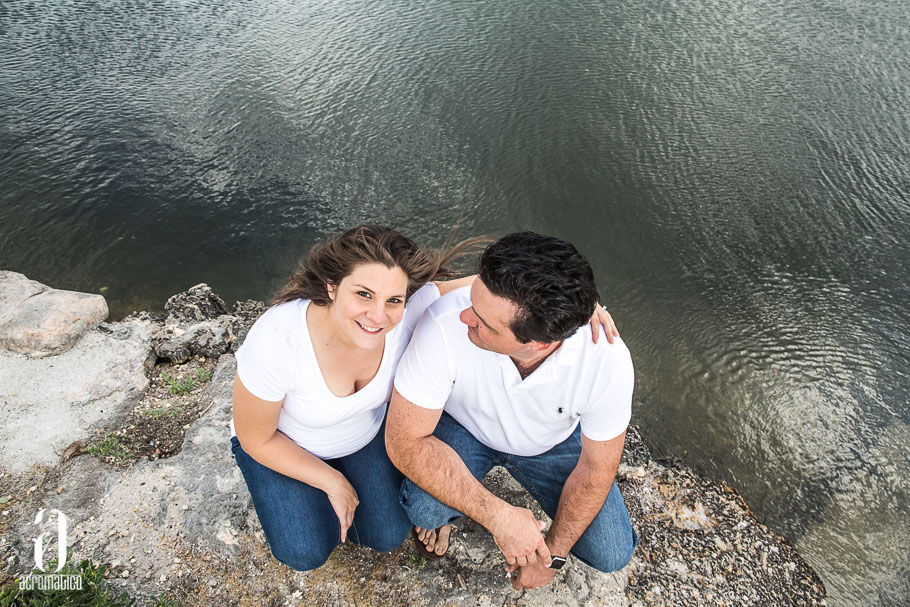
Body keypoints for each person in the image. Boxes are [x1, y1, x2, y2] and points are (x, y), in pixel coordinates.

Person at [230, 225, 618, 571]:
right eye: (363, 294)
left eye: (393, 300)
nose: (377, 316)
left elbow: (490, 289)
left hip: (360, 437)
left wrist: (577, 308)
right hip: (282, 443)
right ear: (332, 285)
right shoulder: (278, 342)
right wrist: (331, 480)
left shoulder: (410, 313)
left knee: (385, 536)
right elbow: (256, 438)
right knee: (304, 553)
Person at [385, 231, 637, 590]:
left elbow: (597, 468)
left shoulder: (605, 361)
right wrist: (498, 516)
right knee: (425, 508)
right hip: (466, 428)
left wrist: (551, 555)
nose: (465, 317)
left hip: (551, 444)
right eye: (473, 301)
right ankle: (449, 510)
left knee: (610, 551)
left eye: (483, 322)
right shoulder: (444, 322)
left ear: (540, 343)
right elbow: (403, 442)